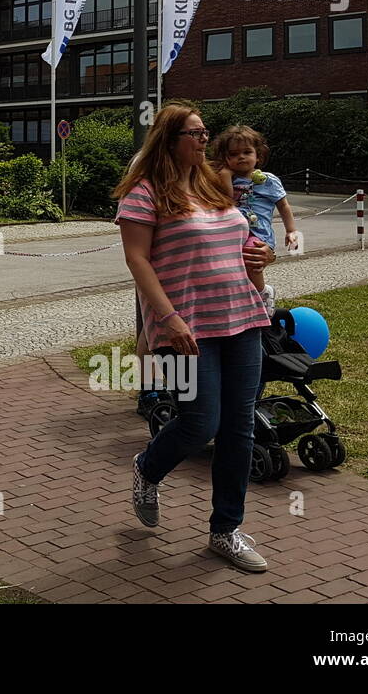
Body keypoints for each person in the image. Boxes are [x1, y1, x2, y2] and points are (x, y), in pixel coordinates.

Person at [114, 103, 275, 573]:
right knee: (200, 422)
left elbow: (237, 239)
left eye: (206, 133)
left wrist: (259, 254)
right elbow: (137, 261)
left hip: (243, 316)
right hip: (185, 327)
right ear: (169, 138)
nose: (205, 141)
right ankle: (148, 468)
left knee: (239, 427)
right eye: (195, 133)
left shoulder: (214, 183)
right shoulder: (144, 195)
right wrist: (167, 319)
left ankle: (226, 530)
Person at [209, 125, 298, 315]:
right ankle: (248, 296)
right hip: (233, 233)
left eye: (247, 152)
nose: (241, 157)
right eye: (233, 154)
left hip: (257, 232)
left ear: (258, 155)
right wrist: (225, 175)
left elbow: (284, 205)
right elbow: (226, 201)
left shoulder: (268, 180)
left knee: (252, 258)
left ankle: (262, 293)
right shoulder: (225, 180)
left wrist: (291, 231)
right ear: (225, 158)